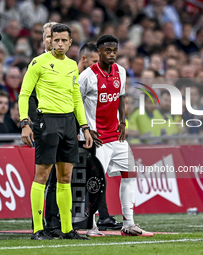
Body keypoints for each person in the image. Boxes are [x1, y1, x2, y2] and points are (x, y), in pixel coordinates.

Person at [18, 23, 93, 240]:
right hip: (47, 122)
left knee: (65, 177)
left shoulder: (71, 65)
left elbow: (76, 97)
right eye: (55, 39)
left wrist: (84, 127)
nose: (59, 43)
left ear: (70, 42)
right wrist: (25, 123)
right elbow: (24, 94)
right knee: (42, 176)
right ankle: (37, 229)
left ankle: (68, 229)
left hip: (69, 123)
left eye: (64, 40)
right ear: (49, 40)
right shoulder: (38, 63)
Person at [79, 34, 153, 237]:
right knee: (95, 180)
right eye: (107, 50)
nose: (111, 54)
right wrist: (85, 129)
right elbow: (75, 103)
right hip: (98, 139)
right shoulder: (87, 76)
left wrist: (123, 121)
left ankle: (128, 223)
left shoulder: (121, 71)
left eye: (114, 50)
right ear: (99, 52)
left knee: (129, 174)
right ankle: (91, 225)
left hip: (116, 136)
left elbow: (120, 97)